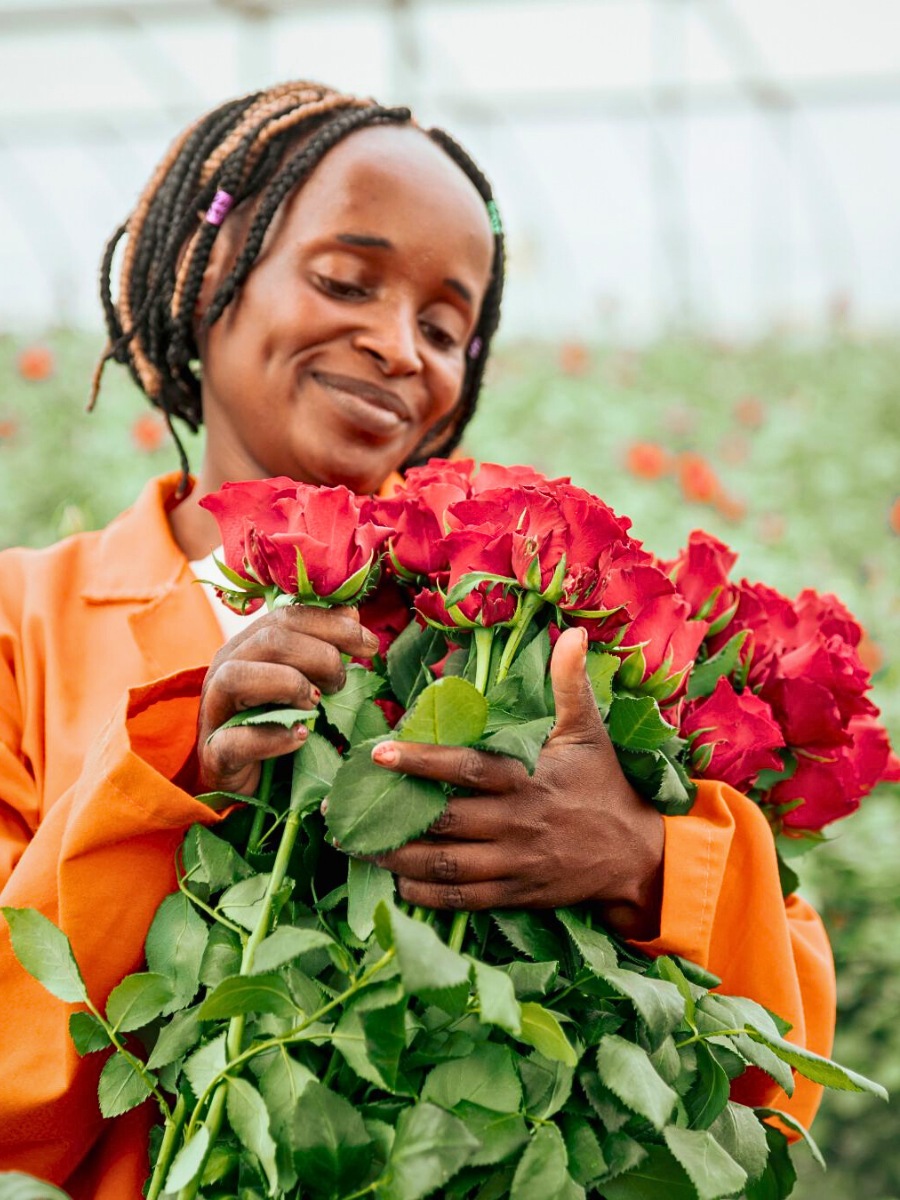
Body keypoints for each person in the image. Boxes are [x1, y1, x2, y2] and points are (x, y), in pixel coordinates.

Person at [0, 81, 834, 1197]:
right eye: (346, 280)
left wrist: (644, 860)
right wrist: (169, 775)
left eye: (446, 325)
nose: (399, 346)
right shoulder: (23, 624)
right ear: (206, 276)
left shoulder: (533, 619)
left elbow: (781, 1063)